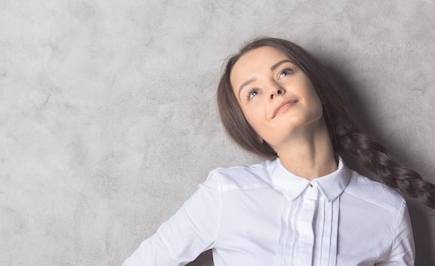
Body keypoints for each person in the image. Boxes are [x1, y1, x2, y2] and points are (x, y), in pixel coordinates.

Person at [122, 37, 435, 266]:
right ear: (251, 130)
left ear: (319, 91)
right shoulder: (226, 192)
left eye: (284, 72)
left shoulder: (387, 212)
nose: (274, 89)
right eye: (253, 92)